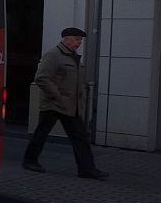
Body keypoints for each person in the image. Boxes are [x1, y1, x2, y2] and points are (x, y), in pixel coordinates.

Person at [23, 27, 108, 180]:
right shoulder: (54, 55)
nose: (79, 43)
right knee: (41, 134)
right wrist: (58, 96)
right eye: (77, 39)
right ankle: (30, 160)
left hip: (71, 106)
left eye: (80, 40)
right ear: (67, 39)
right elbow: (41, 78)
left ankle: (87, 169)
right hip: (54, 104)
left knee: (80, 137)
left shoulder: (73, 57)